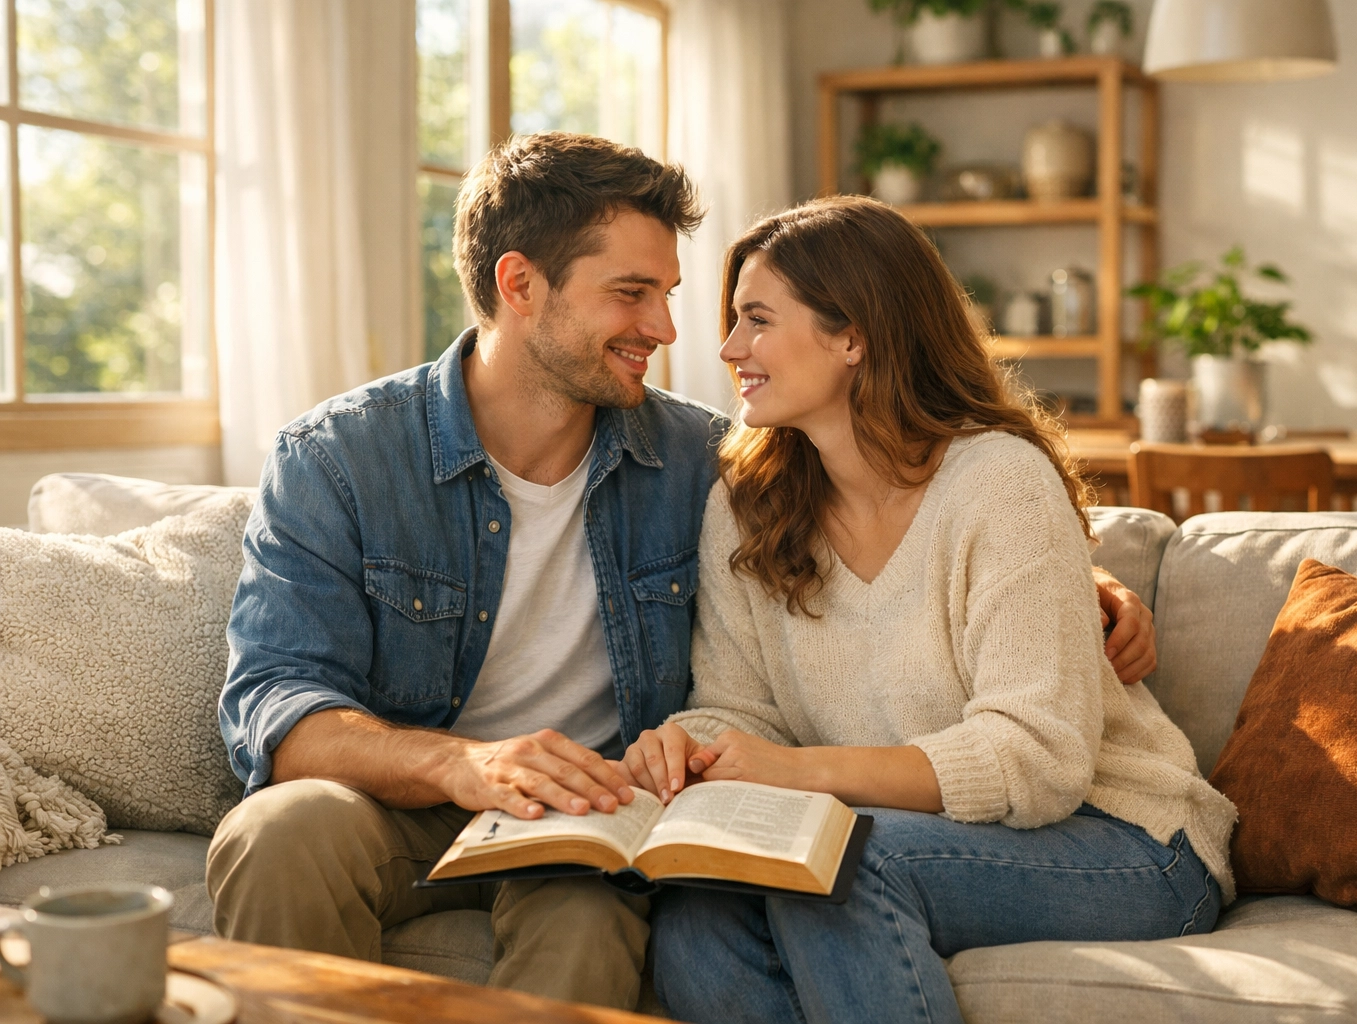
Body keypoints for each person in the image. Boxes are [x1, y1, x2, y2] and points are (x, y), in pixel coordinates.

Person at [206, 133, 1161, 1012]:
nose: (670, 331)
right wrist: (466, 765)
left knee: (637, 919)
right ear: (520, 282)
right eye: (632, 293)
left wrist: (1083, 587)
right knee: (280, 828)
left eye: (670, 294)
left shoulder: (702, 463)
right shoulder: (340, 458)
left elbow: (936, 507)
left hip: (589, 820)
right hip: (407, 803)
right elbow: (275, 703)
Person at [624, 196, 1237, 1024]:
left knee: (840, 861)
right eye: (734, 321)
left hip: (1128, 840)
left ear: (853, 336)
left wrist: (799, 777)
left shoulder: (997, 484)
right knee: (698, 912)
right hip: (906, 835)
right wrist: (690, 751)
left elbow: (1037, 760)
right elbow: (740, 709)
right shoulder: (747, 504)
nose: (730, 349)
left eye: (757, 320)